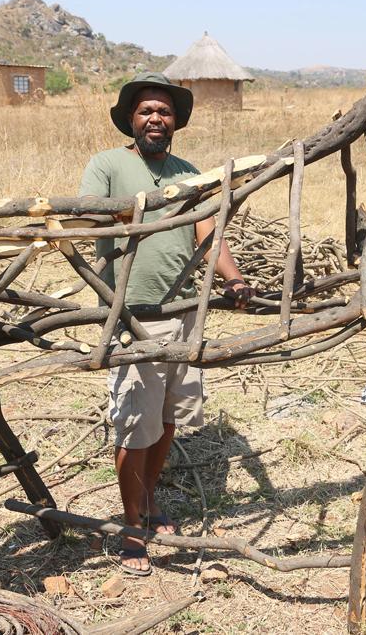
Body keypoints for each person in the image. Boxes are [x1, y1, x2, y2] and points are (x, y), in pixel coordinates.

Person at [78, 72, 254, 575]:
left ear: (175, 122)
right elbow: (90, 219)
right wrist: (130, 217)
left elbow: (207, 233)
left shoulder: (188, 172)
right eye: (145, 112)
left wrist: (234, 280)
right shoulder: (108, 165)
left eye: (164, 112)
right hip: (132, 315)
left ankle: (150, 503)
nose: (155, 119)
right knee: (135, 427)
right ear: (131, 120)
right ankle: (133, 528)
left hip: (182, 315)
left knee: (168, 419)